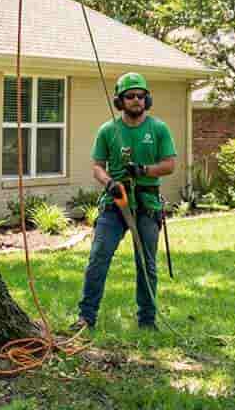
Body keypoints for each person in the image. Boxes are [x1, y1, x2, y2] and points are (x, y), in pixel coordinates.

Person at [73, 72, 176, 331]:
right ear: (120, 101)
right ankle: (86, 318)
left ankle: (147, 321)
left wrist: (143, 171)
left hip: (146, 204)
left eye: (141, 96)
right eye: (130, 96)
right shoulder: (108, 131)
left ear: (147, 99)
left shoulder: (158, 129)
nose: (136, 100)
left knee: (146, 264)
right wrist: (109, 182)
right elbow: (97, 166)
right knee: (98, 257)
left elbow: (169, 165)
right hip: (115, 203)